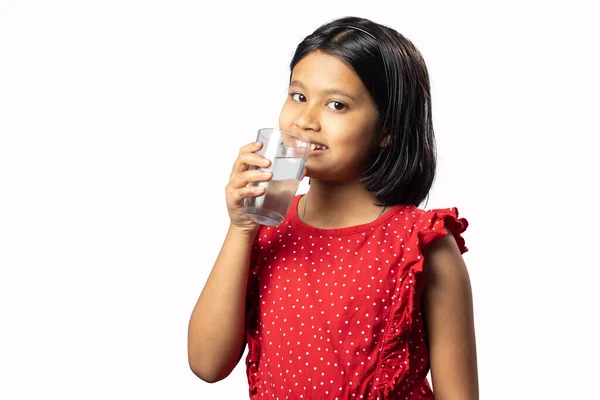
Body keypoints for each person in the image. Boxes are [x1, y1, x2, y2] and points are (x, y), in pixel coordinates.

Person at [188, 16, 478, 399]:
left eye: (337, 105)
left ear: (387, 129)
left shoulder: (420, 246)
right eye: (298, 96)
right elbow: (207, 364)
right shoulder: (264, 228)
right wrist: (242, 227)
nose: (306, 121)